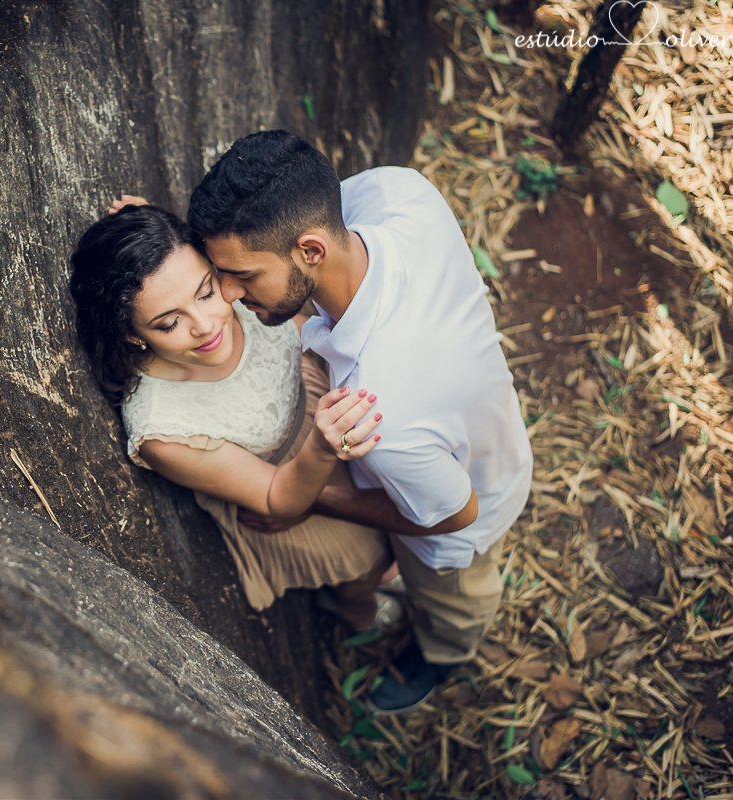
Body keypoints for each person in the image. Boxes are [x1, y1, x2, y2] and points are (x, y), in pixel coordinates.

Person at [187, 130, 534, 714]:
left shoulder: (384, 410)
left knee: (453, 601)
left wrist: (318, 498)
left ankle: (442, 653)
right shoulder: (397, 194)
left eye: (242, 276)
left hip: (466, 515)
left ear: (311, 251)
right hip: (481, 421)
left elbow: (454, 515)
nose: (225, 293)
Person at [69, 203, 394, 629]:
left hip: (324, 404)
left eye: (205, 291)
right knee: (364, 553)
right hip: (284, 479)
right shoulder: (161, 431)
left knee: (395, 499)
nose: (206, 324)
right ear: (130, 332)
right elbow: (276, 497)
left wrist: (158, 224)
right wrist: (321, 443)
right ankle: (358, 611)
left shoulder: (226, 282)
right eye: (169, 324)